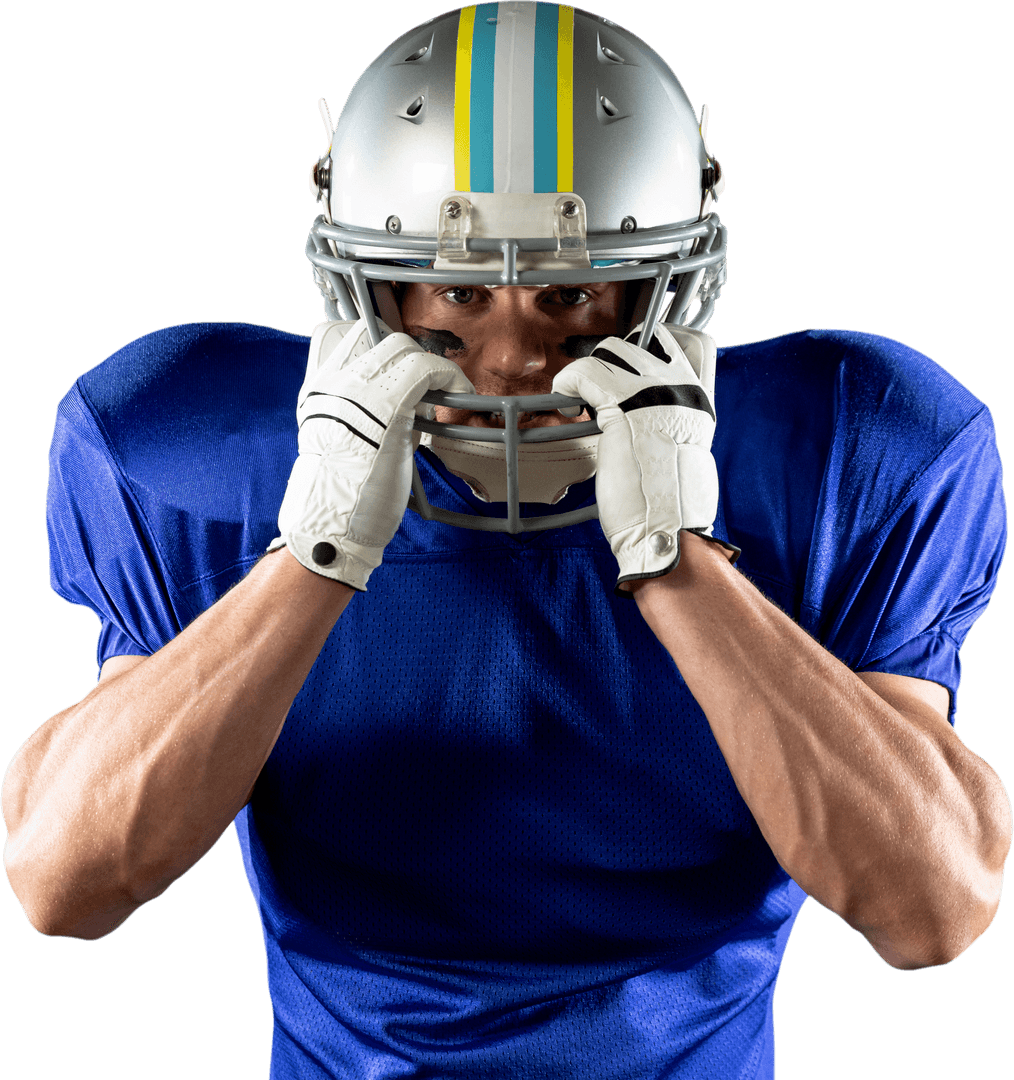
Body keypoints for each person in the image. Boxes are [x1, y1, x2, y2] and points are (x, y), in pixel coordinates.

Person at [3, 3, 1009, 1078]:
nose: (514, 360)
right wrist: (314, 551)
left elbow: (931, 908)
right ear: (365, 277)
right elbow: (66, 881)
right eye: (457, 291)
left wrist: (676, 555)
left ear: (675, 275)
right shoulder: (200, 446)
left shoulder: (847, 442)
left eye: (574, 294)